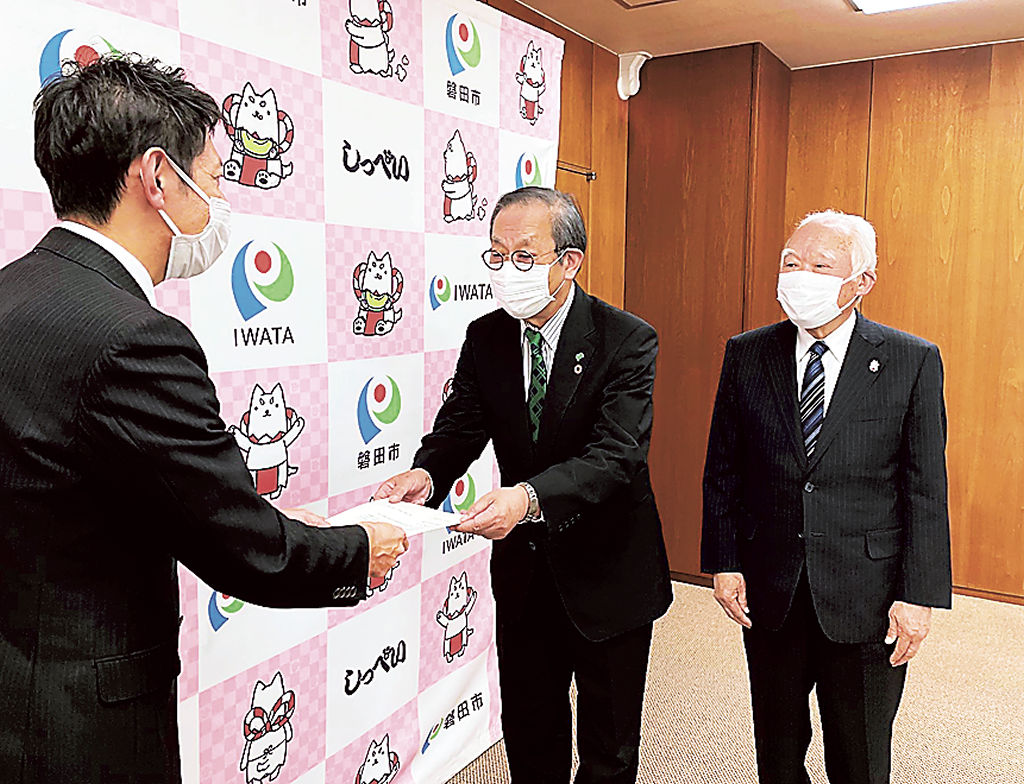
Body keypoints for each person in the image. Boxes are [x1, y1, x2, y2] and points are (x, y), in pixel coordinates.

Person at [0, 56, 407, 783]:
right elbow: (242, 551)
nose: (220, 202)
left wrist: (252, 516)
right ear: (158, 177)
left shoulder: (13, 293)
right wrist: (354, 551)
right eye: (215, 180)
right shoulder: (135, 338)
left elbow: (82, 490)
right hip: (82, 726)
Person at [374, 187, 672, 784]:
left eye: (525, 256)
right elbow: (461, 426)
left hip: (609, 570)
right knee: (531, 730)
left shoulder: (626, 338)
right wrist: (426, 474)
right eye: (497, 254)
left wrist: (528, 497)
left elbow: (616, 455)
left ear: (569, 261)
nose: (508, 269)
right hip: (525, 573)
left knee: (609, 745)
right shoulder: (487, 337)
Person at [701, 210, 952, 784]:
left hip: (867, 595)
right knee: (778, 748)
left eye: (820, 266)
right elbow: (723, 469)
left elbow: (925, 488)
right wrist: (724, 561)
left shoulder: (911, 359)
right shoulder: (747, 353)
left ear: (862, 282)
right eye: (791, 263)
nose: (800, 276)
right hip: (772, 586)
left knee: (859, 755)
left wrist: (918, 596)